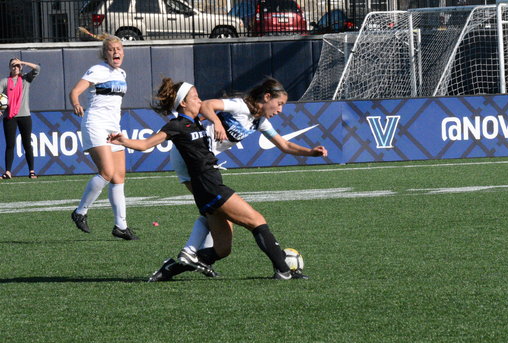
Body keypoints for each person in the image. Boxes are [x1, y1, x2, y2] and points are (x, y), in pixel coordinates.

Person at [108, 77, 328, 281]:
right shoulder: (237, 107)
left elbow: (285, 145)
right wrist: (217, 122)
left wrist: (311, 152)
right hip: (197, 169)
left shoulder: (257, 121)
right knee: (254, 220)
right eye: (279, 104)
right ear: (267, 97)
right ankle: (283, 270)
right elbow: (207, 106)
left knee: (222, 247)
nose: (280, 110)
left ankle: (173, 267)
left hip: (207, 172)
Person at [69, 36, 138, 240]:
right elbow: (75, 91)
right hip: (95, 124)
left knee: (119, 176)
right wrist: (76, 103)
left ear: (123, 52)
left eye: (118, 48)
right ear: (105, 54)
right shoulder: (97, 70)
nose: (115, 52)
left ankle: (121, 226)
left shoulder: (122, 73)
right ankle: (80, 212)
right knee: (107, 172)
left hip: (113, 127)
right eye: (111, 49)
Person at [0, 58, 40, 179]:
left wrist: (23, 62)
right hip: (10, 116)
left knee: (27, 144)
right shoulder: (5, 81)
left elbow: (37, 68)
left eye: (17, 66)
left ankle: (32, 171)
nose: (16, 67)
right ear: (10, 68)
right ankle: (8, 172)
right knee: (10, 144)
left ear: (21, 67)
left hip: (24, 116)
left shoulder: (25, 79)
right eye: (13, 65)